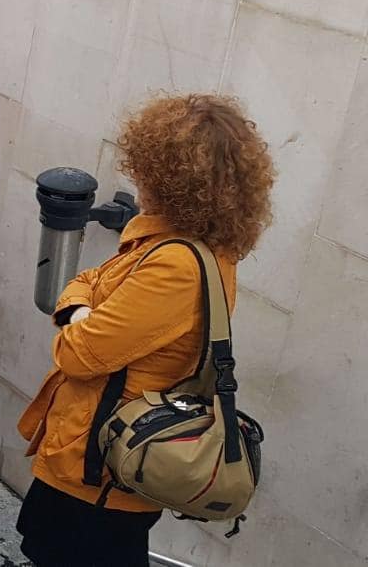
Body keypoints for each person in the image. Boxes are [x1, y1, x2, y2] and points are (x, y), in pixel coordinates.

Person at [16, 94, 274, 567]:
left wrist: (77, 315)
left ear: (168, 178)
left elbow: (77, 353)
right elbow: (87, 281)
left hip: (99, 464)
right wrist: (84, 305)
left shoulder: (177, 264)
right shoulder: (184, 243)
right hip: (100, 450)